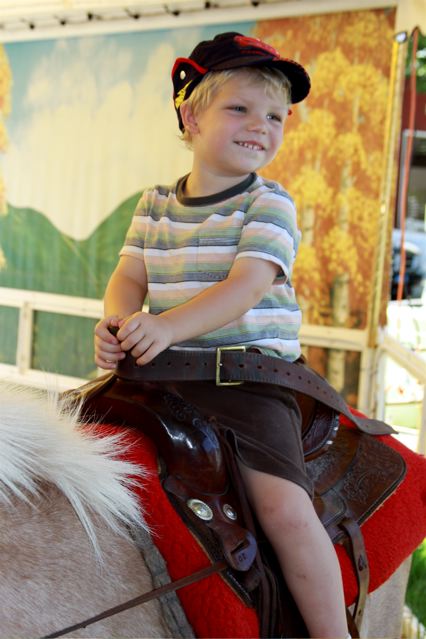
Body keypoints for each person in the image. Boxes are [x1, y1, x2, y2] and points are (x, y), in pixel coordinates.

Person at [94, 32, 349, 638]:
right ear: (191, 117)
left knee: (284, 509)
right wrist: (118, 323)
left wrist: (164, 325)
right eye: (240, 108)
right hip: (159, 371)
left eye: (276, 116)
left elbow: (247, 285)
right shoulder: (155, 204)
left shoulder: (269, 204)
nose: (261, 125)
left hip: (245, 379)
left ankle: (332, 633)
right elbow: (129, 277)